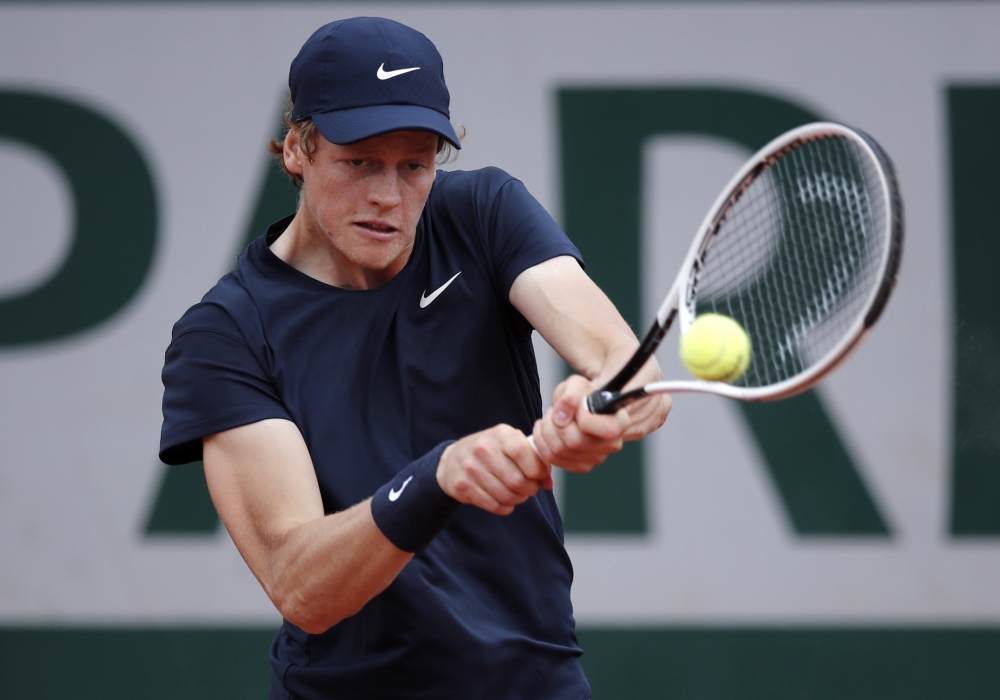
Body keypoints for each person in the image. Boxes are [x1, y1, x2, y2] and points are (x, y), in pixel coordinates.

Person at [159, 16, 669, 700]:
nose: (387, 196)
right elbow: (300, 583)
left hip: (536, 683)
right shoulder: (225, 334)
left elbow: (625, 366)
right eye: (359, 161)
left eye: (415, 165)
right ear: (298, 150)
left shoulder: (483, 213)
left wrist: (599, 407)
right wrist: (437, 478)